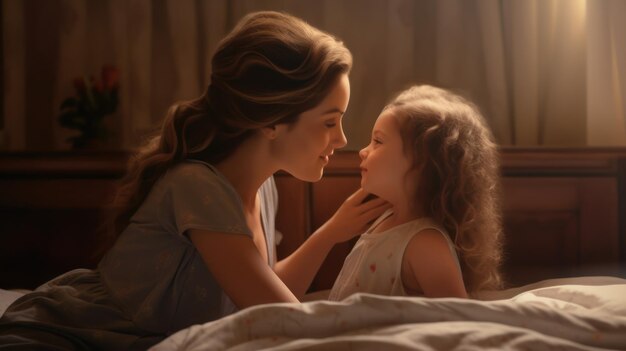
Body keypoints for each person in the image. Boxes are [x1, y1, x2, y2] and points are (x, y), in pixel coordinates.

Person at [0, 11, 389, 350]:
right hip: (75, 336)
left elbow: (255, 290)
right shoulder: (197, 187)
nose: (341, 139)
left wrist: (333, 231)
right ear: (271, 121)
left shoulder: (265, 184)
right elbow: (275, 312)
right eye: (328, 121)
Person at [329, 85, 503, 301]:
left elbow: (457, 318)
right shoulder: (385, 219)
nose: (363, 151)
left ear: (422, 163)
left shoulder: (425, 244)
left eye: (378, 141)